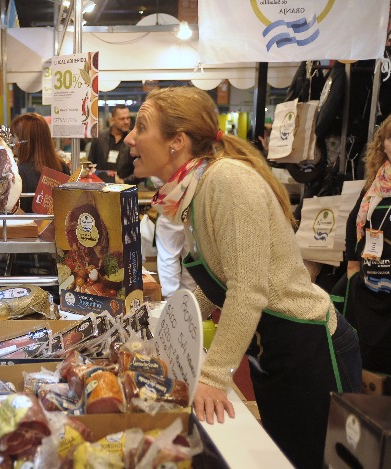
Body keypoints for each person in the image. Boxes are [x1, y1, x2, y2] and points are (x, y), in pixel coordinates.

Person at [124, 86, 361, 469]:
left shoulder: (227, 182)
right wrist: (170, 323)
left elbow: (248, 291)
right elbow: (222, 281)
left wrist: (215, 376)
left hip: (312, 348)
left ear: (176, 142)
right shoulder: (194, 190)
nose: (130, 138)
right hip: (276, 350)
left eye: (141, 127)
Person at [345, 109, 391, 394]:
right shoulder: (375, 185)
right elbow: (352, 223)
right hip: (370, 292)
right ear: (382, 144)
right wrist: (352, 269)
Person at [10, 112, 70, 213]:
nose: (12, 142)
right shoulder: (62, 166)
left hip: (31, 228)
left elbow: (19, 215)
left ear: (25, 142)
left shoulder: (20, 173)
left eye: (14, 136)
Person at [88, 104, 133, 180]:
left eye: (128, 118)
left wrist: (124, 181)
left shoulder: (133, 140)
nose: (126, 122)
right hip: (101, 187)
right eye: (122, 119)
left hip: (125, 188)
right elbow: (91, 164)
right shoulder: (99, 139)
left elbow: (142, 169)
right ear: (112, 120)